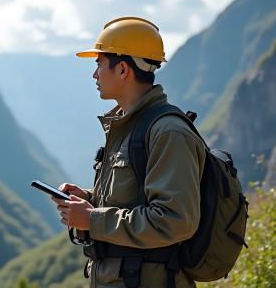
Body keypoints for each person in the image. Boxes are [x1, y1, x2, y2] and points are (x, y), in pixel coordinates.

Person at [51, 17, 206, 288]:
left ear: (123, 69)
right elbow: (133, 199)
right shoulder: (128, 125)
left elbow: (174, 221)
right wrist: (88, 198)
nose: (94, 74)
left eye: (99, 64)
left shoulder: (167, 132)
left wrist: (91, 218)